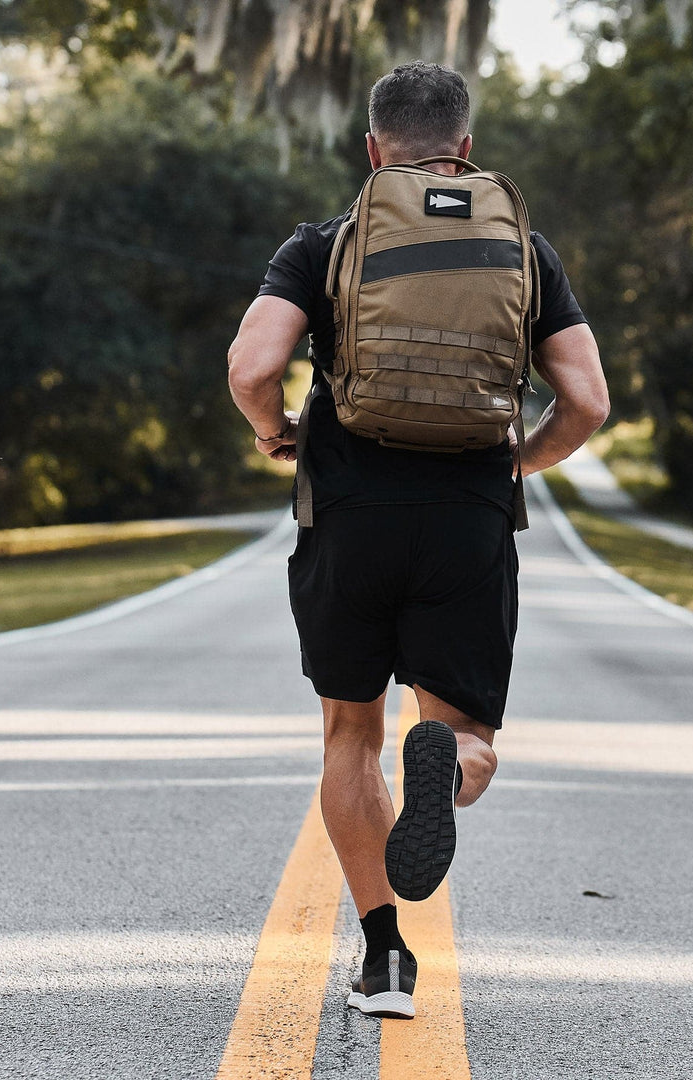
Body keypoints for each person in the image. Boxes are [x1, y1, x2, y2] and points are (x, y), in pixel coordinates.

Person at [227, 61, 609, 1020]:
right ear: (466, 146)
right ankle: (450, 763)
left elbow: (251, 365)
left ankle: (385, 957)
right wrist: (517, 460)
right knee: (460, 729)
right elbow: (590, 401)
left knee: (350, 736)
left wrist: (275, 431)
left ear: (372, 149)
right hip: (466, 521)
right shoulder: (526, 249)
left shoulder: (324, 243)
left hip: (348, 518)